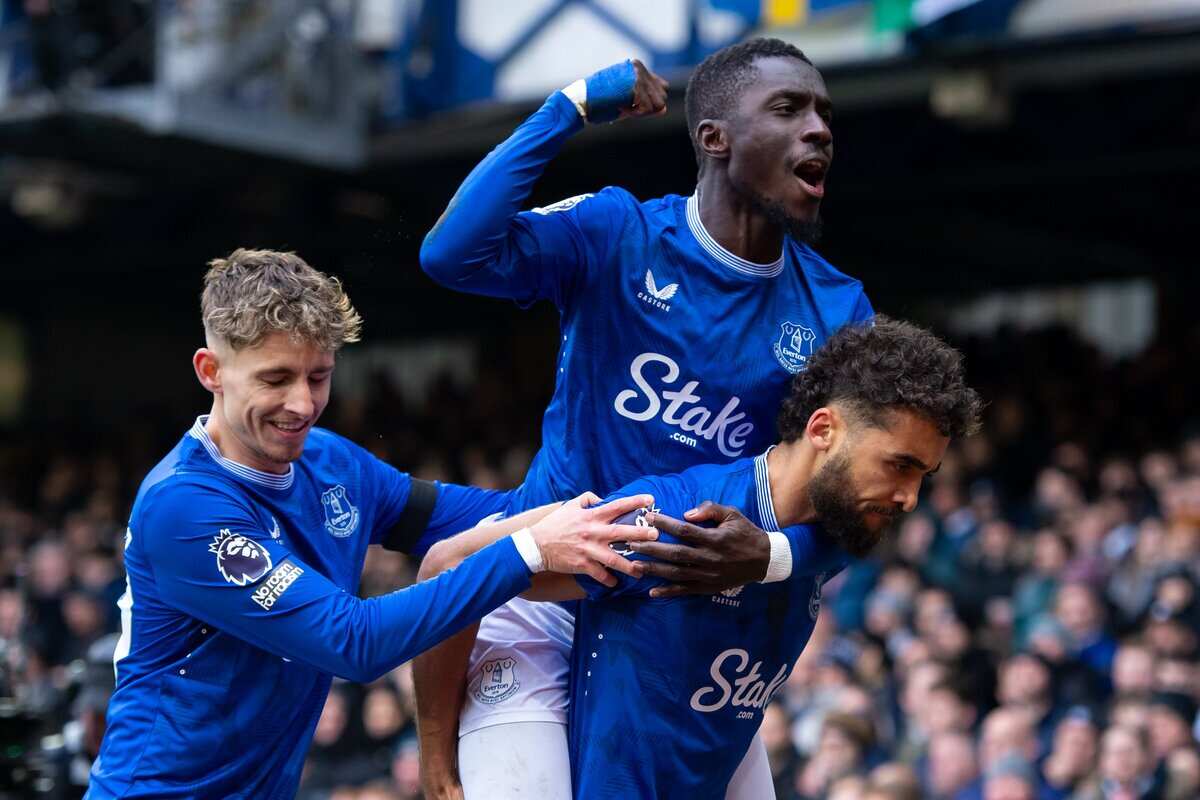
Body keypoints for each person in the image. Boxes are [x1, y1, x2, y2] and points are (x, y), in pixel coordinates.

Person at [415, 36, 874, 798]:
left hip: (680, 624)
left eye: (825, 114)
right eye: (789, 109)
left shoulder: (838, 311)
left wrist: (769, 555)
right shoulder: (617, 233)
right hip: (542, 597)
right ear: (714, 138)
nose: (820, 129)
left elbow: (859, 506)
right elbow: (452, 254)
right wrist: (567, 109)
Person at [84, 249, 658, 799]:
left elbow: (488, 515)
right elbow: (354, 642)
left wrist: (627, 508)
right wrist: (530, 551)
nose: (303, 404)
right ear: (211, 371)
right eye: (275, 378)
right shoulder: (183, 505)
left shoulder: (330, 461)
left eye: (319, 375)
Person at [419, 318, 982, 798]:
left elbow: (804, 549)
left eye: (923, 476)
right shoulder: (678, 522)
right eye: (899, 465)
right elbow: (449, 567)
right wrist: (436, 764)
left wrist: (770, 557)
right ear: (823, 430)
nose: (910, 497)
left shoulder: (838, 528)